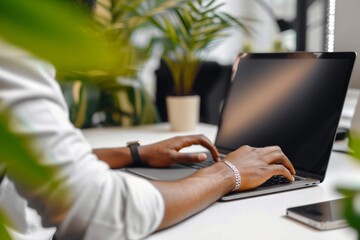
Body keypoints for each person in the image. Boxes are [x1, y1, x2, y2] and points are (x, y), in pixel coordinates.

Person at [0, 39, 295, 240]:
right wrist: (226, 173)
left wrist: (136, 154)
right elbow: (101, 210)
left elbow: (28, 158)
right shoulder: (11, 50)